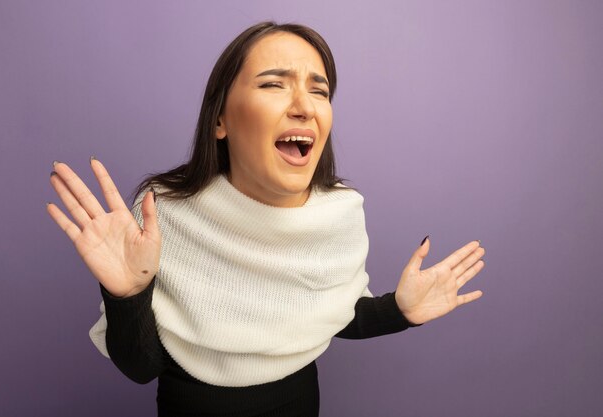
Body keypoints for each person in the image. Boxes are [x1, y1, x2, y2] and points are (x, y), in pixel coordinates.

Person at [46, 21, 486, 417]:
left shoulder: (341, 212)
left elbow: (324, 315)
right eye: (275, 84)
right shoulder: (161, 213)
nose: (304, 106)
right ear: (220, 119)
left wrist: (399, 311)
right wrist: (129, 295)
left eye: (319, 90)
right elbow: (142, 368)